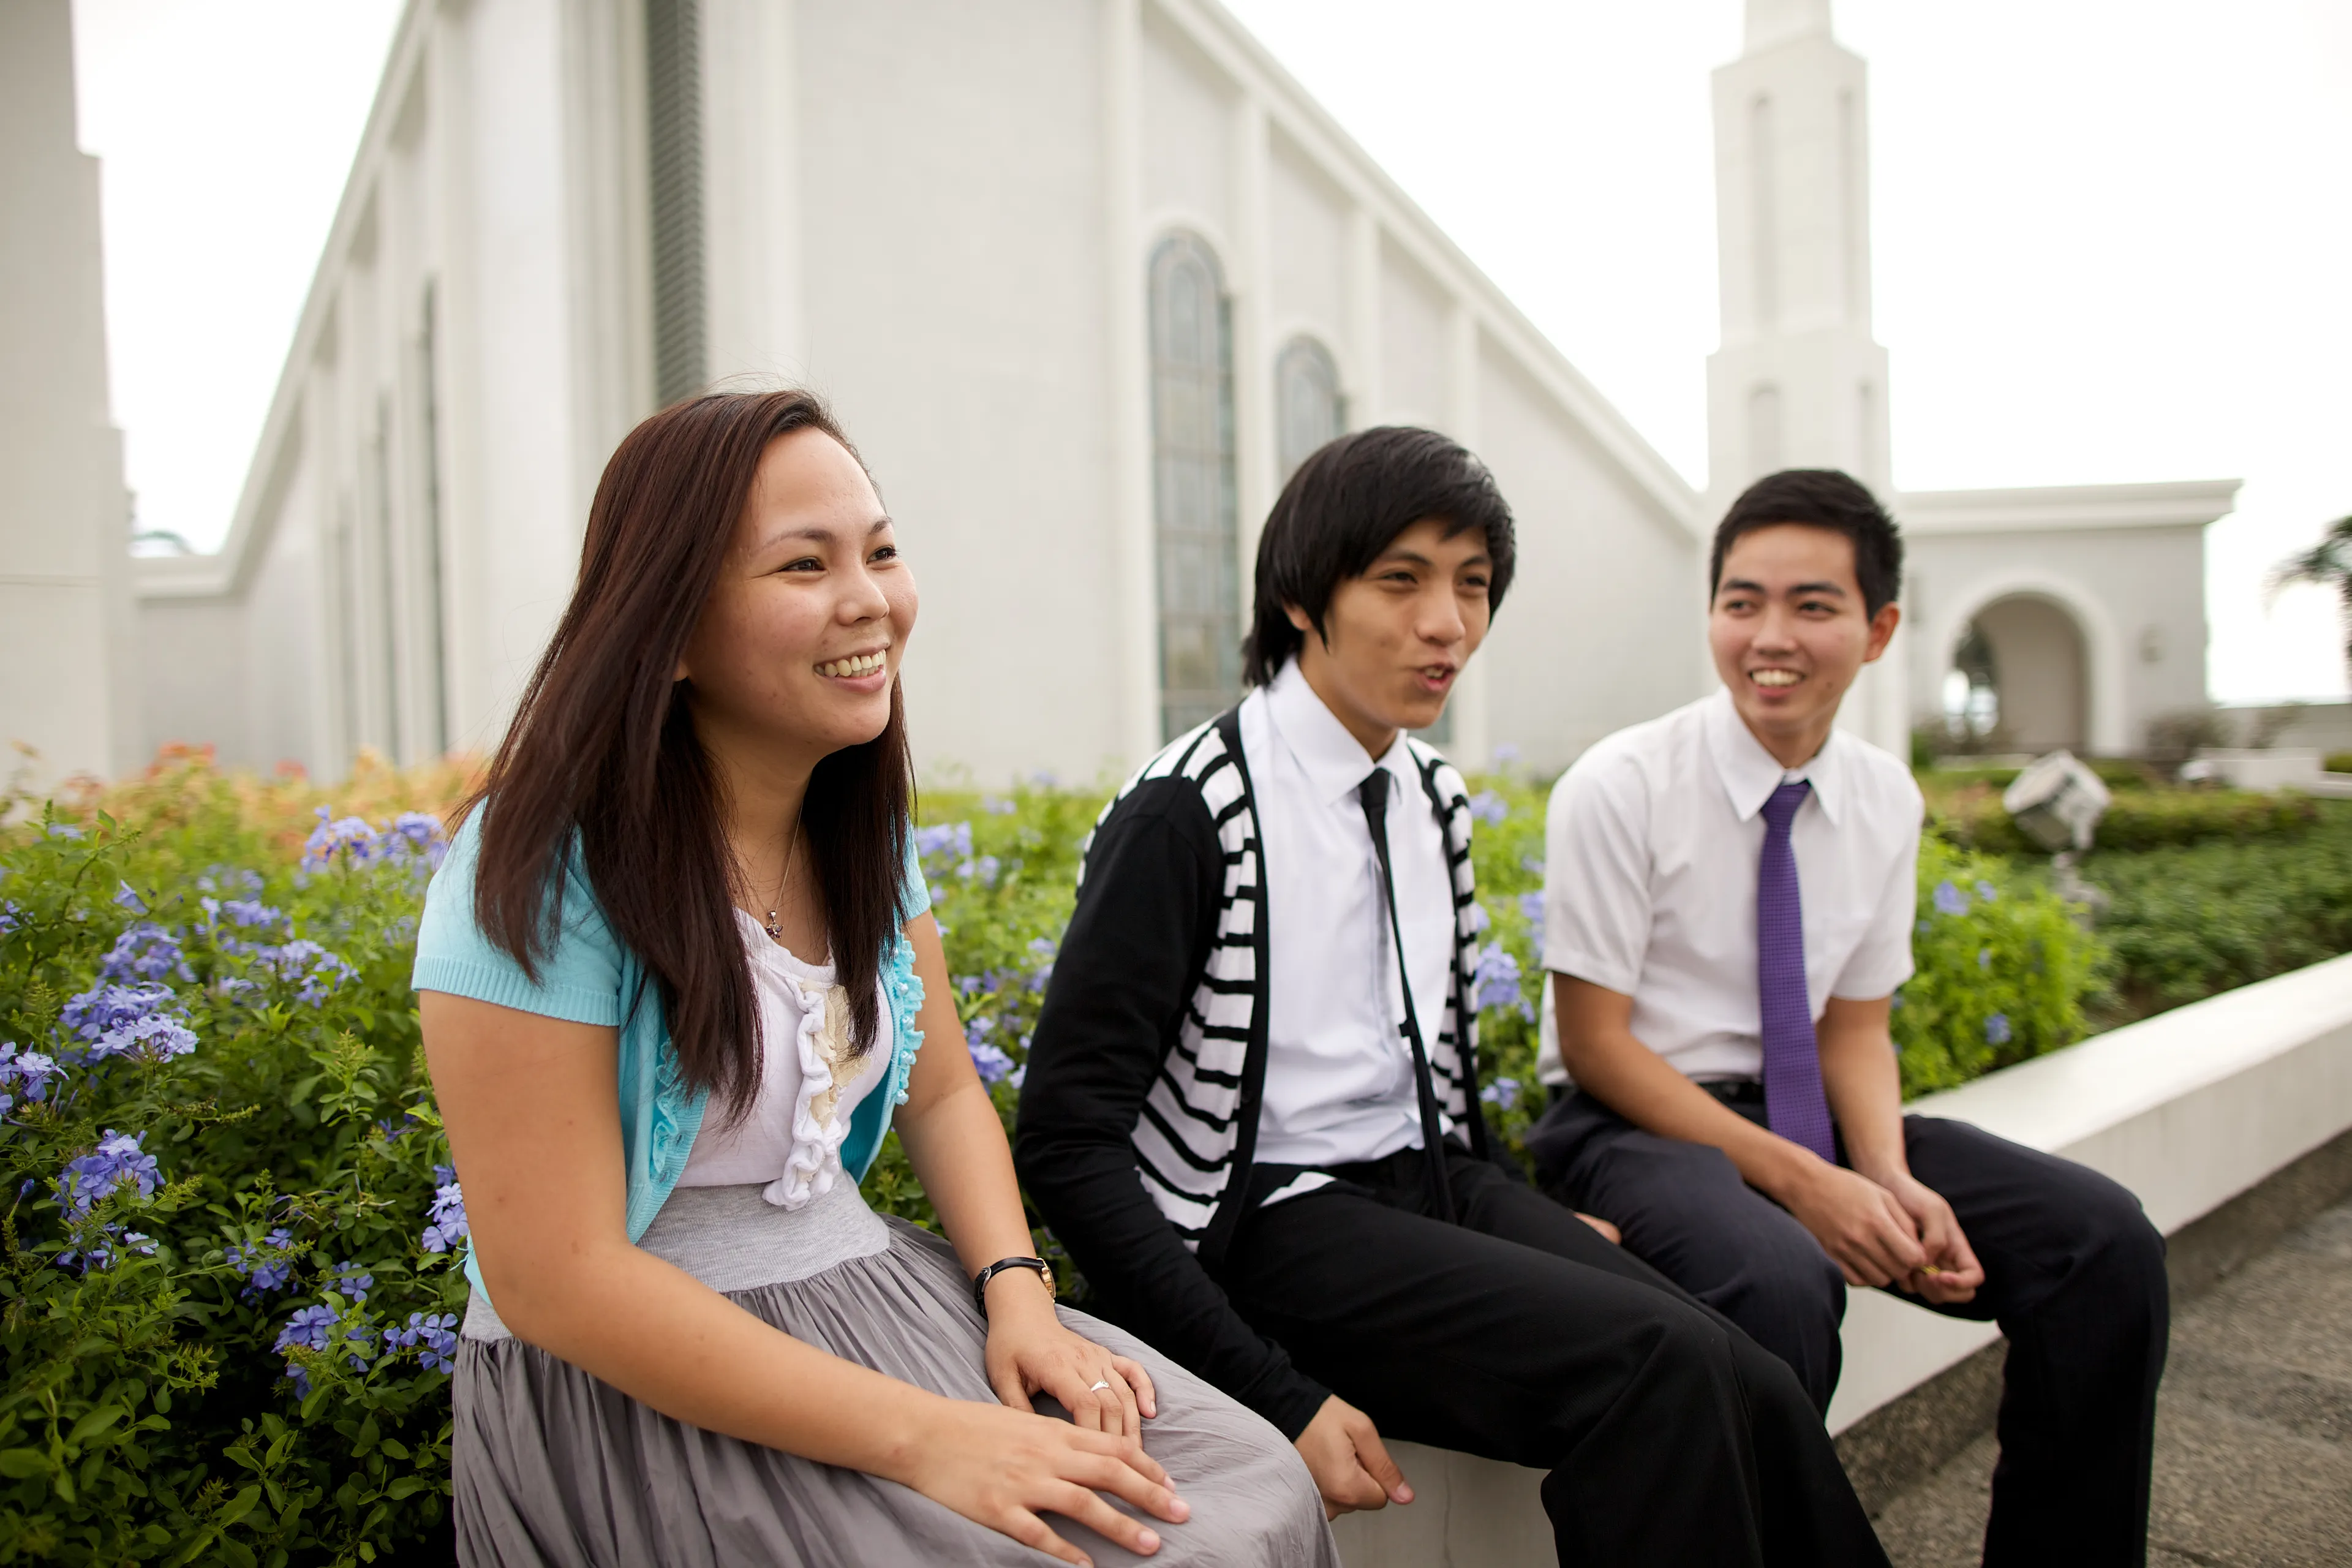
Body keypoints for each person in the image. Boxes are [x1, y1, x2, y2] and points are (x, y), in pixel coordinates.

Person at [415, 390, 1338, 1568]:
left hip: (866, 1293)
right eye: (804, 564)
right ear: (672, 629)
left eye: (882, 551)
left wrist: (1018, 1297)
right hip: (647, 1381)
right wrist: (928, 1440)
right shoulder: (542, 871)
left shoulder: (861, 826)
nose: (871, 601)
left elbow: (944, 1092)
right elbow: (558, 1281)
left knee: (1245, 1480)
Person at [1016, 428, 1890, 1567]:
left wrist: (1525, 1221)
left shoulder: (1431, 793)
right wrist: (1275, 1396)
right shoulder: (1191, 809)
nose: (1449, 625)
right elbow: (1066, 1139)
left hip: (1431, 1188)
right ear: (1299, 595)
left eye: (1474, 586)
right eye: (1402, 580)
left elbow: (1438, 1066)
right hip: (1267, 1225)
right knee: (1658, 1370)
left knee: (1739, 1361)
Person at [1525, 468, 2169, 1568]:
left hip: (1809, 1113)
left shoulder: (1884, 797)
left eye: (1811, 605)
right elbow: (1595, 1043)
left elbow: (1855, 1028)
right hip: (1629, 1121)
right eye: (1742, 602)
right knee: (1773, 1278)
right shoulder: (1620, 783)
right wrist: (1803, 1180)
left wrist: (1886, 1173)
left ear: (1878, 631)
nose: (1769, 636)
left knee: (2101, 1245)